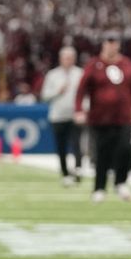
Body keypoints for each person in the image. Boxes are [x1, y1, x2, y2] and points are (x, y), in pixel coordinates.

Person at [75, 34, 131, 202]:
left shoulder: (128, 65)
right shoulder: (93, 65)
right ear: (103, 44)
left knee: (125, 150)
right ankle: (99, 188)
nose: (111, 46)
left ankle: (121, 182)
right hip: (100, 118)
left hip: (123, 117)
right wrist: (78, 110)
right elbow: (81, 89)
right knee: (101, 154)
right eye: (108, 42)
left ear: (118, 45)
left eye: (114, 42)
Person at [40, 46, 84, 184]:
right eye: (66, 58)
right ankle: (65, 173)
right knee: (61, 146)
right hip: (58, 116)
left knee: (77, 144)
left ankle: (77, 169)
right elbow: (44, 96)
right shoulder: (52, 75)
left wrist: (84, 110)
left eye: (70, 58)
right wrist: (57, 92)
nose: (68, 61)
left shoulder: (80, 73)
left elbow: (86, 94)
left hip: (75, 115)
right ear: (60, 59)